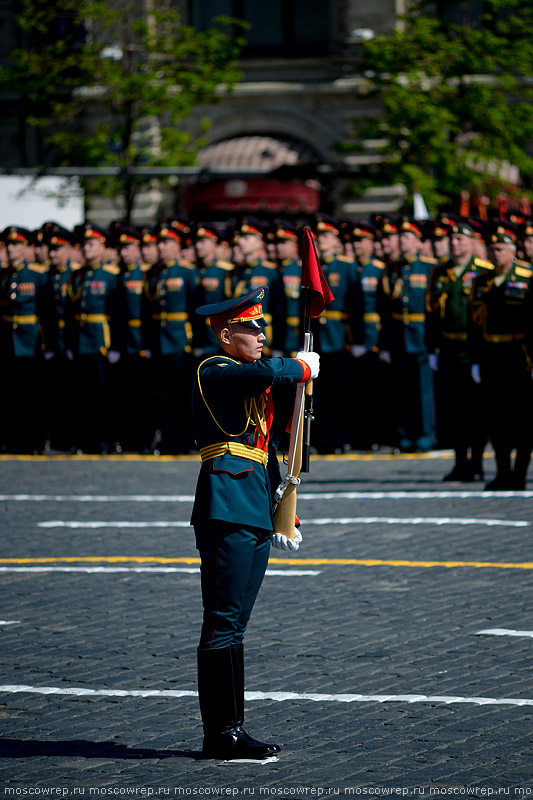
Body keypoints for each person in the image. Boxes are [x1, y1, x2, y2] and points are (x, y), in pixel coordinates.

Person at [191, 286, 319, 760]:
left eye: (263, 327)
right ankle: (219, 733)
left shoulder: (248, 376)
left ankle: (232, 729)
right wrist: (300, 365)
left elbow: (265, 454)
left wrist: (284, 509)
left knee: (237, 626)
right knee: (222, 623)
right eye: (253, 328)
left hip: (253, 507)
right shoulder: (215, 370)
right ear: (227, 335)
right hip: (226, 505)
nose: (262, 335)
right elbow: (269, 372)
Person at [425, 220, 493, 480]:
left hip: (473, 348)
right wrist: (432, 348)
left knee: (476, 409)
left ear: (473, 242)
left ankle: (476, 462)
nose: (455, 243)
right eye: (452, 239)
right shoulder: (439, 273)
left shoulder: (483, 271)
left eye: (460, 239)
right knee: (453, 411)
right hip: (449, 348)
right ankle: (459, 462)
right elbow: (431, 313)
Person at [470, 221, 533, 490]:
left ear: (512, 251)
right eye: (491, 249)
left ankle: (519, 473)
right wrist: (474, 357)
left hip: (519, 355)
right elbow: (472, 322)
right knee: (496, 418)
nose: (495, 254)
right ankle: (502, 472)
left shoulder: (527, 278)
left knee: (522, 418)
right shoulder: (481, 281)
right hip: (490, 355)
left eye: (500, 249)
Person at [378, 216, 437, 452]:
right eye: (399, 237)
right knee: (402, 390)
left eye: (407, 237)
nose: (402, 241)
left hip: (421, 336)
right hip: (398, 336)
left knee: (422, 392)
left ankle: (424, 435)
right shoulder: (392, 269)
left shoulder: (429, 267)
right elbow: (383, 308)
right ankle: (405, 435)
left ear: (418, 241)